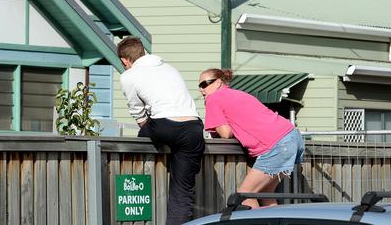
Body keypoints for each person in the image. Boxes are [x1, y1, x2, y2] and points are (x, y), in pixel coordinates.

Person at [117, 36, 205, 225]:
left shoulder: (129, 76)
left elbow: (138, 113)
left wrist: (146, 131)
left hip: (164, 124)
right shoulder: (169, 68)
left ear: (125, 60)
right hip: (193, 127)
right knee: (183, 191)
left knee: (143, 137)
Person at [199, 68, 305, 208]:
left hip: (277, 144)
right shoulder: (238, 94)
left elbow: (225, 133)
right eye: (199, 86)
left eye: (204, 84)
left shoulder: (213, 98)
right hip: (292, 136)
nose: (201, 90)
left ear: (218, 82)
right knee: (265, 193)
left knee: (245, 195)